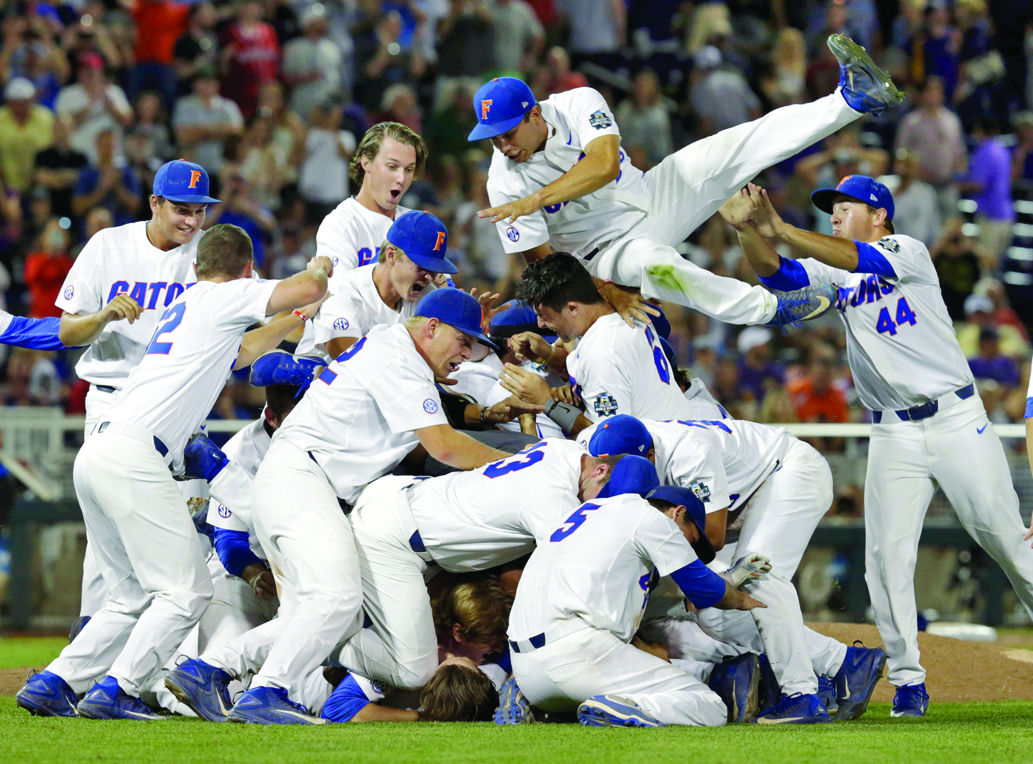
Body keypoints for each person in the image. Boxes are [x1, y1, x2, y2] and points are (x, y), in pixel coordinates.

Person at [720, 176, 1033, 718]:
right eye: (832, 209)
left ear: (879, 215)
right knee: (884, 561)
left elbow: (853, 256)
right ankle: (909, 682)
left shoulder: (906, 250)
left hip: (956, 417)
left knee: (1010, 543)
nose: (835, 215)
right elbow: (778, 273)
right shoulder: (835, 268)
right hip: (892, 431)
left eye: (845, 207)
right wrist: (748, 228)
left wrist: (781, 227)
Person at [15, 225, 333, 720]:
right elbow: (309, 286)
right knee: (187, 591)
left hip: (100, 449)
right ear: (247, 270)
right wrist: (321, 270)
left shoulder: (187, 305)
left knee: (130, 596)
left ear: (196, 266)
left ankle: (55, 682)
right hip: (136, 456)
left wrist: (293, 318)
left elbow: (242, 352)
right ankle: (117, 689)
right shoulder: (227, 294)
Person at [217, 288, 522, 723]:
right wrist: (520, 465)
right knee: (336, 601)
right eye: (463, 341)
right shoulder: (399, 357)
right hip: (303, 478)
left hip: (306, 482)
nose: (467, 354)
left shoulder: (394, 349)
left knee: (322, 613)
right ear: (432, 327)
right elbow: (445, 447)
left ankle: (212, 668)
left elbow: (425, 448)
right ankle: (265, 691)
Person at [466, 35, 903, 328]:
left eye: (508, 132)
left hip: (651, 193)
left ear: (535, 114)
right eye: (492, 137)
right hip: (605, 253)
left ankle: (852, 100)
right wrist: (606, 293)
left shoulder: (577, 102)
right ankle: (770, 309)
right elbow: (545, 269)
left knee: (733, 145)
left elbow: (604, 166)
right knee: (659, 264)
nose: (502, 145)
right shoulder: (504, 183)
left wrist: (536, 200)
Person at [54, 160, 315, 623]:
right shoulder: (109, 246)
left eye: (199, 210)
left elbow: (240, 346)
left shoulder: (210, 257)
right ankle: (94, 633)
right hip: (116, 398)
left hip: (180, 409)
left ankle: (165, 648)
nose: (192, 221)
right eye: (181, 209)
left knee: (185, 529)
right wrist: (104, 316)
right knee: (111, 539)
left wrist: (298, 319)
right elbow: (67, 331)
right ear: (154, 202)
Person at [584, 415, 886, 723]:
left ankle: (801, 693)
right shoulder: (601, 442)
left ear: (649, 455)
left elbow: (712, 537)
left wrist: (705, 582)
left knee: (760, 575)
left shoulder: (689, 452)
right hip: (738, 500)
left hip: (785, 472)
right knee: (715, 614)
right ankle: (843, 662)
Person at [500, 476, 766, 728]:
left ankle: (529, 701)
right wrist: (743, 600)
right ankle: (627, 705)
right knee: (711, 706)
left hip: (524, 670)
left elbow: (673, 592)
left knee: (583, 685)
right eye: (692, 539)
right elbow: (706, 590)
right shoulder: (653, 519)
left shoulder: (589, 515)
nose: (689, 549)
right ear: (678, 513)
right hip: (577, 656)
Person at [499, 253, 721, 437]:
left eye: (544, 316)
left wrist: (547, 401)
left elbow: (612, 440)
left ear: (573, 308)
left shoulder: (602, 353)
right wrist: (548, 356)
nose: (540, 324)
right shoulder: (621, 312)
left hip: (662, 458)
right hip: (675, 435)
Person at [295, 122, 426, 355]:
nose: (401, 178)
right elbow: (338, 307)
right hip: (334, 359)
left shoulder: (418, 225)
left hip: (396, 352)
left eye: (409, 170)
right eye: (392, 166)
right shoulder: (342, 223)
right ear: (366, 163)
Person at [312, 209, 451, 359]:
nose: (430, 277)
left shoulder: (427, 296)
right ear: (391, 255)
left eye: (434, 269)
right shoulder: (342, 291)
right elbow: (349, 362)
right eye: (422, 267)